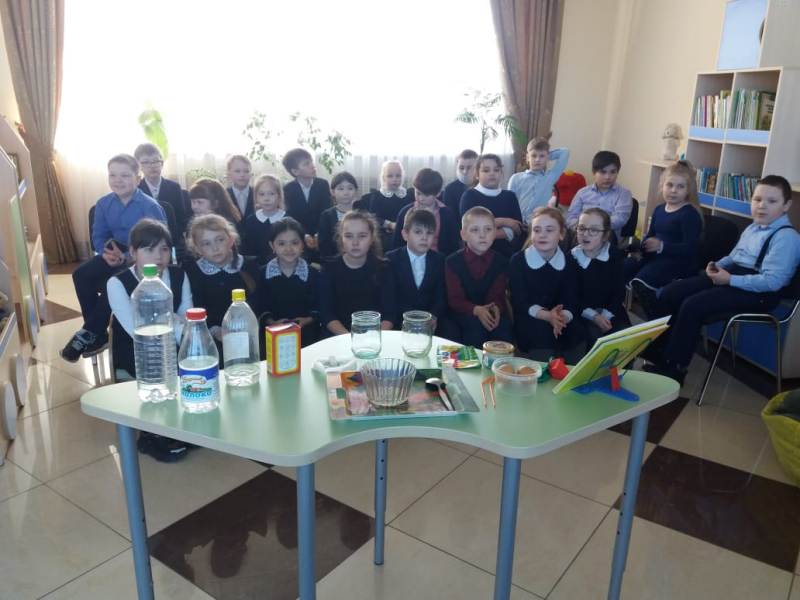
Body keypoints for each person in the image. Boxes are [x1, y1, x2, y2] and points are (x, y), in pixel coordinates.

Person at [645, 175, 800, 384]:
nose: (762, 206)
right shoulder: (753, 227)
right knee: (672, 292)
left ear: (786, 205)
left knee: (692, 305)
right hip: (733, 276)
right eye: (757, 199)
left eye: (772, 201)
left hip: (760, 293)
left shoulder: (786, 238)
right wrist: (716, 265)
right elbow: (734, 257)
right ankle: (659, 349)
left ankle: (675, 368)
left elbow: (772, 282)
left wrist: (730, 280)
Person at [61, 154, 166, 363]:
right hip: (114, 253)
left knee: (113, 283)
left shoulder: (149, 206)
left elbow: (160, 241)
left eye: (125, 176)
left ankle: (89, 332)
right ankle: (98, 333)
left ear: (138, 179)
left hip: (143, 256)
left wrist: (127, 257)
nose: (118, 180)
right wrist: (106, 253)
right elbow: (98, 236)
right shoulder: (103, 204)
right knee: (80, 274)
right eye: (113, 175)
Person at [106, 218, 193, 462]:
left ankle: (185, 425)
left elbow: (187, 316)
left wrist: (181, 332)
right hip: (136, 348)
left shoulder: (179, 275)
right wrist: (175, 323)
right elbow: (136, 330)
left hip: (175, 341)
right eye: (149, 249)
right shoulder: (117, 283)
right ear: (133, 252)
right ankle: (150, 437)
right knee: (161, 368)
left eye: (164, 249)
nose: (158, 256)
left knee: (198, 358)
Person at [626, 160, 704, 313]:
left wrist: (662, 246)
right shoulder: (659, 209)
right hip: (657, 258)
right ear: (662, 186)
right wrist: (642, 247)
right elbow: (650, 235)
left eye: (680, 187)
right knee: (624, 268)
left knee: (641, 282)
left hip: (678, 262)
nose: (674, 190)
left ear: (688, 190)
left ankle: (658, 320)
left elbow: (691, 249)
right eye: (670, 185)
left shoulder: (689, 214)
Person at [509, 207, 583, 361]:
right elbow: (519, 301)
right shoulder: (518, 261)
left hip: (560, 318)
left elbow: (571, 299)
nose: (542, 235)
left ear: (561, 234)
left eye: (549, 230)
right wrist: (548, 316)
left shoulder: (569, 262)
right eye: (537, 230)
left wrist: (560, 318)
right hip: (531, 317)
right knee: (543, 340)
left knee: (577, 337)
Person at [183, 214, 260, 360]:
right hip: (212, 339)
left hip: (248, 334)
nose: (215, 248)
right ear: (197, 249)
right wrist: (215, 330)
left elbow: (258, 301)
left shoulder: (249, 265)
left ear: (231, 240)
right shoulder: (193, 272)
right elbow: (197, 306)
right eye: (206, 243)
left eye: (220, 240)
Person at [445, 206, 513, 347]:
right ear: (463, 235)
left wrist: (495, 308)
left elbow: (497, 294)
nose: (482, 235)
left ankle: (501, 361)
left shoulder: (501, 262)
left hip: (490, 310)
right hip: (462, 312)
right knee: (475, 330)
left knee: (502, 329)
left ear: (495, 233)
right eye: (475, 230)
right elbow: (454, 299)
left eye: (488, 229)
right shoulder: (452, 262)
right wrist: (476, 310)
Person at [319, 211, 395, 335]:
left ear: (372, 238)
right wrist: (350, 339)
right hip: (339, 337)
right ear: (341, 238)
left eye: (362, 236)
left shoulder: (384, 268)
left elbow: (390, 314)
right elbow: (327, 314)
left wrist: (372, 338)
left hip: (376, 337)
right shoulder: (328, 269)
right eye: (349, 236)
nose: (355, 242)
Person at [255, 217, 320, 347]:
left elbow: (320, 304)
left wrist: (307, 319)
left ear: (303, 244)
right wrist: (271, 322)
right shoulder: (262, 273)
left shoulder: (313, 273)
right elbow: (259, 304)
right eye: (281, 244)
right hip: (272, 335)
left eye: (295, 243)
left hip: (307, 335)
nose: (288, 249)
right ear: (272, 246)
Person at [571, 208, 630, 347]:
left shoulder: (614, 255)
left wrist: (606, 315)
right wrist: (595, 317)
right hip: (582, 312)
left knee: (625, 336)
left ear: (605, 235)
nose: (586, 234)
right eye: (582, 228)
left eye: (594, 230)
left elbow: (619, 291)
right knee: (594, 338)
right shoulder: (571, 258)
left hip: (610, 310)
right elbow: (572, 296)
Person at [386, 208, 447, 330]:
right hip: (399, 320)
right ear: (405, 234)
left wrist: (434, 316)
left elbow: (441, 295)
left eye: (429, 233)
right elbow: (389, 297)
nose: (424, 237)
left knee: (449, 331)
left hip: (430, 319)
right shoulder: (391, 259)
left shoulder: (440, 260)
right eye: (418, 232)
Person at [459, 154, 523, 258]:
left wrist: (486, 230)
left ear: (501, 173)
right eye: (486, 170)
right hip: (477, 254)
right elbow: (470, 229)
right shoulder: (469, 196)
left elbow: (518, 228)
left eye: (496, 170)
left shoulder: (510, 196)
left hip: (506, 254)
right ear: (477, 174)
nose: (492, 173)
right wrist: (505, 222)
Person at [566, 151, 633, 241]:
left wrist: (595, 229)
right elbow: (571, 218)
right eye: (603, 172)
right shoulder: (582, 193)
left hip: (607, 237)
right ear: (594, 172)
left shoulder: (624, 194)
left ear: (617, 172)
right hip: (581, 235)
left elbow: (620, 219)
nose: (608, 177)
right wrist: (584, 229)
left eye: (613, 172)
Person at [392, 168, 460, 256]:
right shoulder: (405, 212)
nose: (421, 198)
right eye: (418, 193)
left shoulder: (447, 214)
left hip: (438, 260)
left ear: (438, 193)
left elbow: (453, 246)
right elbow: (397, 244)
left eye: (426, 195)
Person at [507, 135, 570, 222]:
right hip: (518, 222)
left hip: (539, 223)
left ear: (547, 157)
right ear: (527, 157)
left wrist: (548, 156)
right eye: (533, 156)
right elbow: (509, 203)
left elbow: (565, 152)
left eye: (541, 156)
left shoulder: (550, 177)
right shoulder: (516, 178)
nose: (537, 160)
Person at [134, 143, 189, 241]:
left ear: (162, 164)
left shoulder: (174, 188)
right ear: (139, 166)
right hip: (146, 240)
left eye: (155, 161)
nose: (152, 166)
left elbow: (182, 220)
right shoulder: (136, 189)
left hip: (172, 238)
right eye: (146, 162)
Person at [361, 160, 414, 251]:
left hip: (405, 234)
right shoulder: (377, 196)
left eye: (398, 176)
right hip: (384, 235)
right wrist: (389, 224)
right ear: (383, 178)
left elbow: (413, 214)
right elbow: (373, 218)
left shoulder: (408, 195)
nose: (394, 179)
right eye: (390, 176)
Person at [282, 148, 331, 237]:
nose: (312, 165)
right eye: (306, 164)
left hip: (322, 232)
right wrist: (304, 234)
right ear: (295, 171)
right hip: (299, 234)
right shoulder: (288, 189)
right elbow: (291, 216)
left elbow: (326, 211)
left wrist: (318, 233)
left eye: (311, 161)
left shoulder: (322, 184)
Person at [316, 171, 365, 260]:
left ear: (356, 191)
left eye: (350, 188)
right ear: (332, 192)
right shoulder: (326, 215)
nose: (346, 193)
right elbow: (324, 245)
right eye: (341, 189)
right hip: (334, 260)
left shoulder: (362, 214)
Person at [241, 174, 286, 263]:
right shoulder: (251, 220)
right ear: (256, 197)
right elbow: (247, 249)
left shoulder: (287, 220)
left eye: (271, 194)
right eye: (261, 194)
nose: (266, 199)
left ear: (279, 196)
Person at [442, 149, 478, 215]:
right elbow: (450, 216)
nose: (465, 172)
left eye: (469, 168)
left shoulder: (484, 186)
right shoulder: (449, 190)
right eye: (461, 168)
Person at [225, 154, 255, 220]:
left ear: (251, 174)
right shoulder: (224, 195)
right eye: (237, 171)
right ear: (229, 174)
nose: (242, 175)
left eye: (246, 171)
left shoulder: (258, 194)